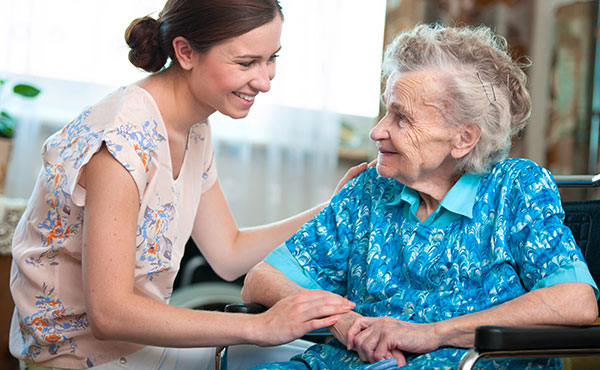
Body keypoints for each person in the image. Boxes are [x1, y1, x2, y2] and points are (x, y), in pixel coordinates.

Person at [9, 1, 365, 369]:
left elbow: (229, 253)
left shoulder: (193, 127)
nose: (264, 81)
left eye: (271, 58)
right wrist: (258, 326)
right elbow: (109, 314)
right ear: (185, 52)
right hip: (75, 358)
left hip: (139, 348)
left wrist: (334, 207)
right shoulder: (120, 142)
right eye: (246, 63)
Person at [241, 23, 600, 370]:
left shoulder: (515, 187)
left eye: (402, 118)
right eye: (386, 110)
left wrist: (431, 334)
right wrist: (344, 322)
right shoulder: (370, 189)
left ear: (464, 139)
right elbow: (261, 279)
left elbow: (574, 299)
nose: (377, 130)